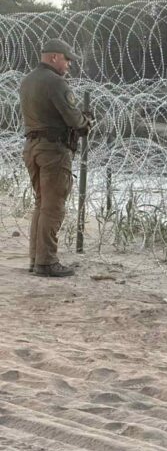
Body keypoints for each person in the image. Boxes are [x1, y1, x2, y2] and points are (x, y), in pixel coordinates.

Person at [20, 39, 91, 277]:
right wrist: (86, 121)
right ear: (53, 58)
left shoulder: (27, 81)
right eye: (66, 59)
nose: (69, 64)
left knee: (41, 205)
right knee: (53, 207)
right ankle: (47, 262)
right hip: (53, 150)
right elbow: (74, 119)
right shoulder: (56, 83)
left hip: (32, 147)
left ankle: (36, 259)